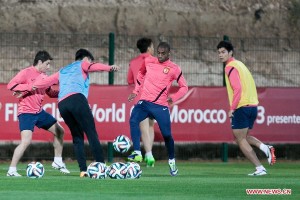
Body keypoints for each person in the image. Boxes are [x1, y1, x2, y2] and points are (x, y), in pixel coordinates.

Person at [33, 49, 119, 177]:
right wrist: (109, 67)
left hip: (62, 104)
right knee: (91, 132)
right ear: (86, 58)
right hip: (77, 99)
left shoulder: (62, 70)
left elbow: (46, 82)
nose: (90, 63)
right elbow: (93, 66)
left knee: (77, 136)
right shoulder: (82, 63)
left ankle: (83, 170)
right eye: (90, 60)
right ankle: (101, 166)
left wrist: (31, 86)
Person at [128, 42, 188, 176]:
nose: (160, 56)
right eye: (158, 53)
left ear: (169, 54)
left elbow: (184, 87)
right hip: (144, 102)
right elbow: (140, 73)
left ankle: (172, 161)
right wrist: (137, 90)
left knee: (167, 135)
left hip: (161, 106)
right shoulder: (149, 61)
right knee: (133, 119)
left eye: (163, 53)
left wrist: (175, 96)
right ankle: (137, 152)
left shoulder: (174, 68)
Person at [217, 40, 276, 176]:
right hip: (253, 106)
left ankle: (260, 168)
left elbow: (237, 89)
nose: (220, 55)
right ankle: (265, 148)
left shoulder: (230, 67)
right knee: (243, 136)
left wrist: (232, 108)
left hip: (241, 107)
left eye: (223, 52)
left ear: (230, 52)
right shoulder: (240, 64)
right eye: (219, 52)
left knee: (240, 139)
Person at [6, 50, 69, 177]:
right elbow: (11, 85)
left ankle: (57, 161)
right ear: (39, 62)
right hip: (26, 113)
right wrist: (29, 87)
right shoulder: (26, 72)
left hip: (39, 112)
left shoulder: (44, 77)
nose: (48, 67)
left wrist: (65, 92)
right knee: (26, 142)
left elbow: (50, 93)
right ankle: (11, 170)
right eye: (47, 64)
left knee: (60, 131)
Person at [128, 37, 156, 167]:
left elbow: (129, 80)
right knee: (150, 126)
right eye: (153, 46)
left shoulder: (133, 62)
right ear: (149, 48)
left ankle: (148, 155)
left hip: (140, 98)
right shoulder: (156, 61)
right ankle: (149, 155)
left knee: (143, 127)